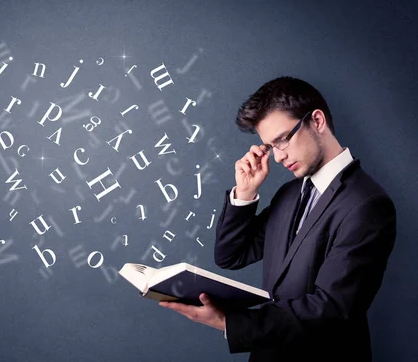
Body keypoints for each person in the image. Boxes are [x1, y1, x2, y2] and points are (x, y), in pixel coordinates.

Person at [159, 76, 396, 362]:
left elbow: (332, 307)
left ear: (317, 121)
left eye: (283, 139)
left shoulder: (367, 204)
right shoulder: (289, 193)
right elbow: (231, 255)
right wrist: (246, 192)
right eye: (271, 146)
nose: (280, 156)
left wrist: (228, 322)